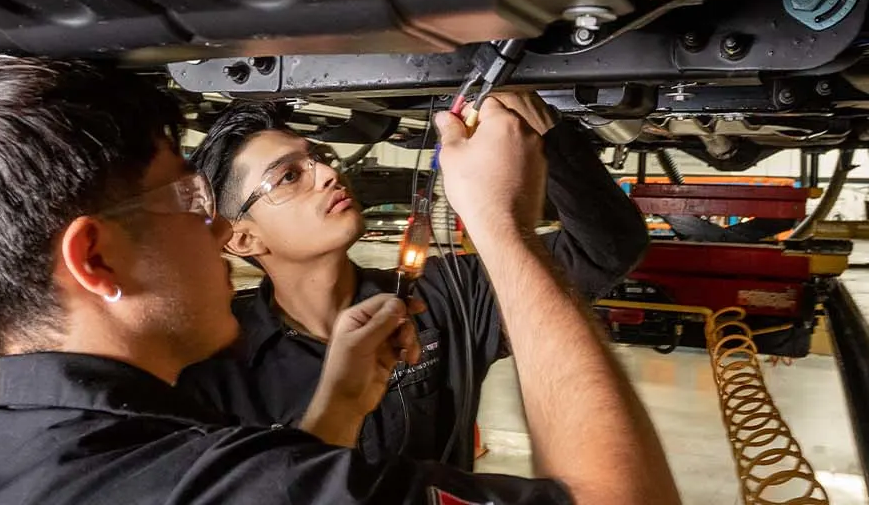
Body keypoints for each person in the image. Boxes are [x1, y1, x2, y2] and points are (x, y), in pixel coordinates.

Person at [0, 55, 679, 504]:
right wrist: (501, 223)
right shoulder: (217, 452)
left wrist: (335, 408)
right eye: (189, 203)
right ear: (95, 261)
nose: (209, 233)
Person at [179, 93, 649, 467]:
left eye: (317, 157)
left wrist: (547, 130)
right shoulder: (215, 359)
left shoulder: (441, 296)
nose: (327, 173)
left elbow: (605, 249)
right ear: (242, 240)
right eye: (287, 177)